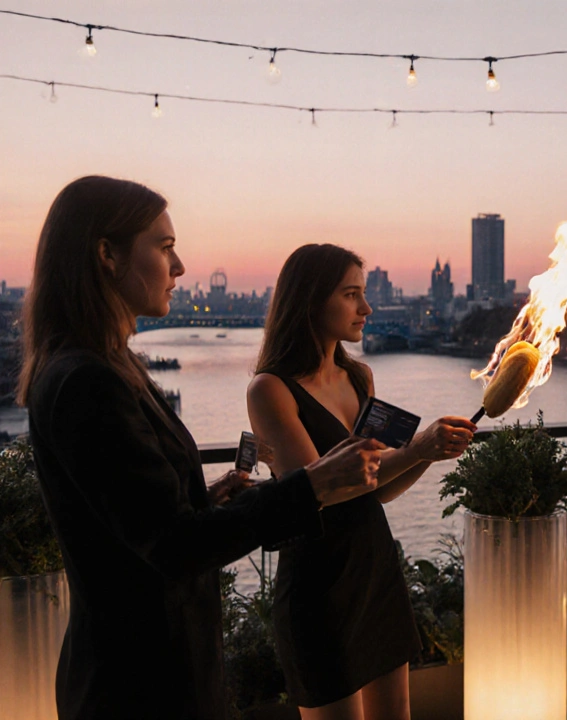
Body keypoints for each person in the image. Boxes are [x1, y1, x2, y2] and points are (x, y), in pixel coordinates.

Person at [18, 176, 384, 720]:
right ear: (106, 255)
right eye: (165, 248)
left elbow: (139, 522)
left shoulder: (103, 368)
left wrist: (205, 500)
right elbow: (172, 546)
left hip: (147, 670)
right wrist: (310, 486)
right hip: (141, 683)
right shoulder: (88, 382)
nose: (180, 266)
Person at [246, 243, 476, 720]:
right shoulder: (270, 389)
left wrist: (429, 455)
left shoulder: (360, 377)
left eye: (364, 294)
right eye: (351, 295)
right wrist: (417, 448)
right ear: (310, 300)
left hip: (375, 569)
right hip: (318, 584)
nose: (366, 309)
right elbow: (318, 496)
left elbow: (376, 491)